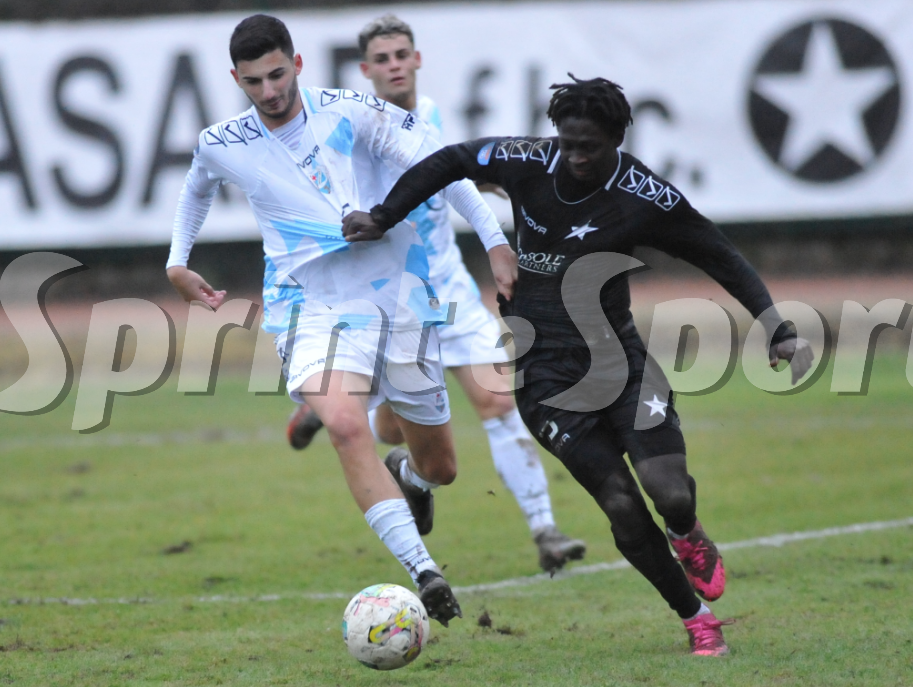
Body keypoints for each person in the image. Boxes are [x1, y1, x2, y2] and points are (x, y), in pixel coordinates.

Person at [342, 75, 815, 655]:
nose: (575, 156)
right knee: (619, 501)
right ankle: (696, 619)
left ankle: (686, 531)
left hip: (620, 363)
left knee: (669, 493)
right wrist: (386, 216)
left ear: (617, 138)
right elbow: (450, 160)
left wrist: (777, 327)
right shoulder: (529, 160)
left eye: (589, 145)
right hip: (545, 381)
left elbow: (718, 253)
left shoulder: (645, 195)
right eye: (567, 142)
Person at [165, 14, 518, 626]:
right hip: (308, 306)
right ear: (236, 79)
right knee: (347, 426)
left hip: (400, 298)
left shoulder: (351, 112)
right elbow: (196, 188)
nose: (270, 91)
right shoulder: (222, 142)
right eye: (254, 82)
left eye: (278, 74)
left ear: (297, 64)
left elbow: (445, 164)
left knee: (441, 468)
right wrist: (177, 261)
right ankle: (423, 571)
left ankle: (407, 474)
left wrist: (494, 242)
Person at [286, 14, 587, 574]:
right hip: (390, 304)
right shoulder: (350, 132)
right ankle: (337, 413)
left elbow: (455, 177)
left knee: (499, 401)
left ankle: (545, 530)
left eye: (403, 54)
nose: (395, 64)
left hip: (447, 289)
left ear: (417, 59)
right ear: (366, 71)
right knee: (393, 430)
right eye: (383, 58)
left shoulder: (430, 119)